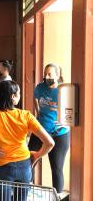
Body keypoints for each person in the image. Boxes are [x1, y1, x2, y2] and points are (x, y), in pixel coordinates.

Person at [0, 80, 54, 201]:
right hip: (24, 165)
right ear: (13, 96)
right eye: (19, 93)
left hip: (1, 167)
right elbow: (50, 143)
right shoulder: (26, 115)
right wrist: (37, 155)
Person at [28, 63, 69, 194]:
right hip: (40, 130)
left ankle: (57, 196)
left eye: (50, 74)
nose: (46, 76)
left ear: (58, 76)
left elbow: (72, 110)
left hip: (59, 133)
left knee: (56, 168)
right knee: (29, 159)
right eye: (45, 74)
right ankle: (27, 190)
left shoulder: (64, 91)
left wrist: (65, 121)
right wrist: (38, 111)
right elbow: (35, 98)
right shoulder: (40, 87)